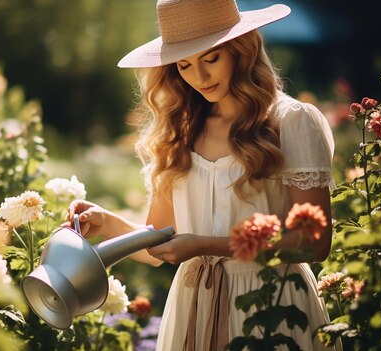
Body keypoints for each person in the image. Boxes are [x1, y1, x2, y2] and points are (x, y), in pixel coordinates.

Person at [67, 0, 336, 349]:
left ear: (243, 49)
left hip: (273, 301)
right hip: (194, 305)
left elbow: (315, 244)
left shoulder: (292, 121)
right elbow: (159, 245)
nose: (200, 77)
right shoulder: (180, 132)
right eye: (184, 65)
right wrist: (108, 224)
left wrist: (205, 246)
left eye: (211, 59)